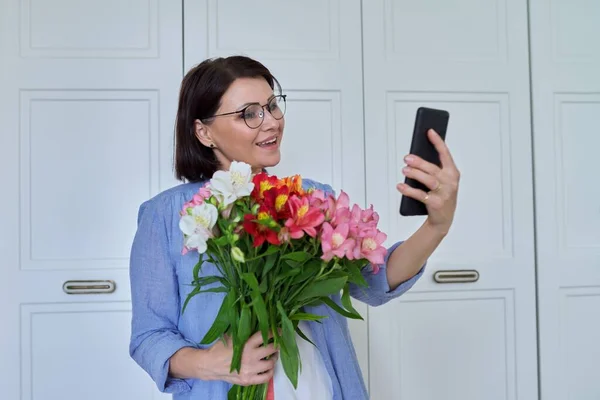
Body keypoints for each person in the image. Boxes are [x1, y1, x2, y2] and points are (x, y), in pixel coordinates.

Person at [128, 55, 460, 400]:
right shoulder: (166, 216)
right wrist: (211, 362)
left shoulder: (311, 199)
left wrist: (437, 225)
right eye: (250, 113)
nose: (271, 122)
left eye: (272, 106)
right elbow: (149, 336)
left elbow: (374, 281)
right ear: (204, 131)